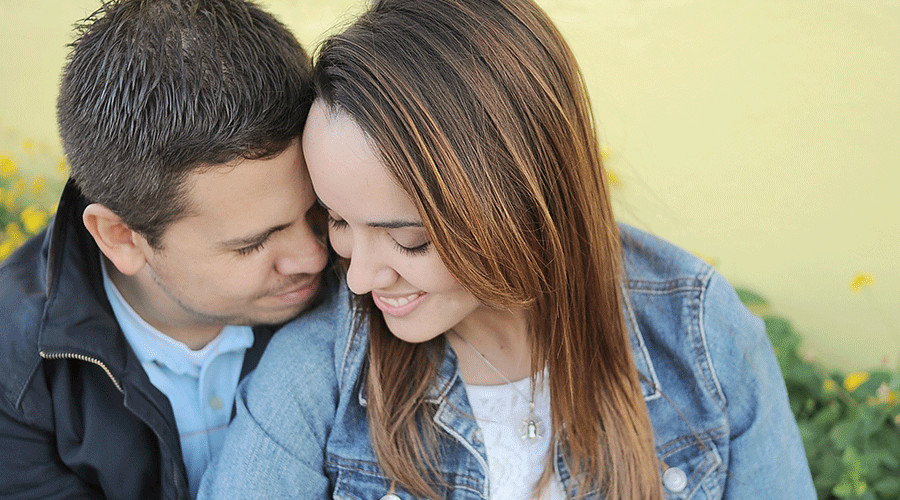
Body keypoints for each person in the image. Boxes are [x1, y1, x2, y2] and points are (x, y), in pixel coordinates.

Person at [200, 0, 815, 498]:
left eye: (408, 239)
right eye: (336, 222)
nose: (358, 278)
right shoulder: (320, 369)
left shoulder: (696, 331)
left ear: (520, 196)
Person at [0, 0, 327, 498]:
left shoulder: (375, 282)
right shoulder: (14, 364)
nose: (315, 258)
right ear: (121, 237)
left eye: (323, 212)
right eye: (254, 243)